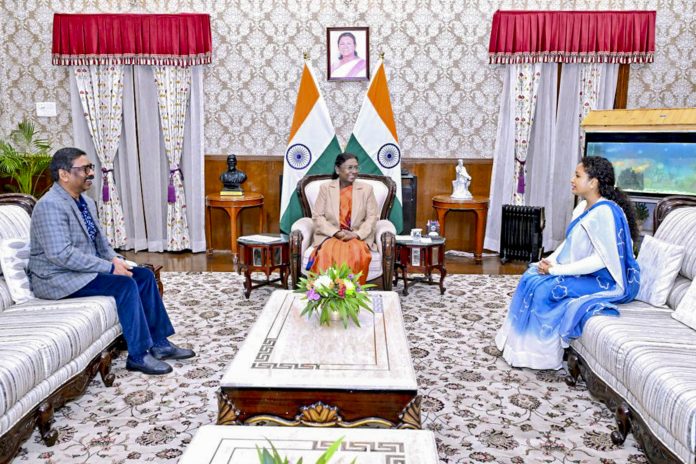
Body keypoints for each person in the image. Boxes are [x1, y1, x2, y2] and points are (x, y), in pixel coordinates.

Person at [28, 147, 195, 376]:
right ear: (64, 174)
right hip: (57, 277)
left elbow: (100, 243)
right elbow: (61, 254)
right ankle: (138, 356)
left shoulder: (85, 202)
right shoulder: (50, 205)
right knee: (124, 285)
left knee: (144, 275)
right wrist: (108, 267)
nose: (91, 173)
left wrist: (116, 260)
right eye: (84, 169)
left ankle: (160, 343)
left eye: (90, 167)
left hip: (80, 270)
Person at [495, 156, 640, 370]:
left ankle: (540, 356)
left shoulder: (605, 213)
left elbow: (601, 260)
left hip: (605, 279)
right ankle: (519, 348)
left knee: (546, 289)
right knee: (531, 276)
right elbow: (569, 243)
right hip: (584, 272)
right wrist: (549, 261)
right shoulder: (582, 208)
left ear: (593, 182)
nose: (572, 179)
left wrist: (557, 271)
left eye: (578, 176)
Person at [308, 153, 378, 285]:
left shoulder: (366, 189)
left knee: (356, 254)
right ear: (337, 169)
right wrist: (336, 232)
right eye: (350, 167)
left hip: (356, 236)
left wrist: (357, 234)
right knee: (327, 253)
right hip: (331, 235)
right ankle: (326, 289)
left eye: (356, 167)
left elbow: (372, 217)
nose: (354, 171)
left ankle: (350, 290)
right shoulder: (326, 188)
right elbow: (318, 216)